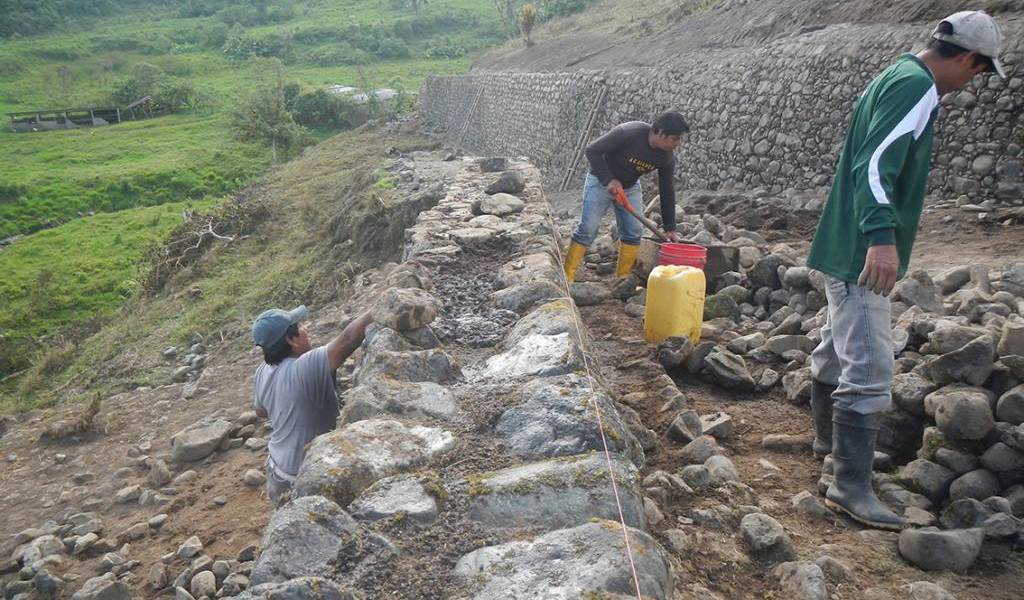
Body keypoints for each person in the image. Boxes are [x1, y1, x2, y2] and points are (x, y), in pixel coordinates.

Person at [807, 11, 1005, 530]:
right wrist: (881, 240)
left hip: (841, 242)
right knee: (871, 369)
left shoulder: (897, 72)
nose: (972, 83)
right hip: (860, 252)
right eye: (980, 72)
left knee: (837, 344)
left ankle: (830, 444)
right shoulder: (918, 87)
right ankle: (850, 489)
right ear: (965, 57)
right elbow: (873, 164)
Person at [251, 305, 373, 506]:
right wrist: (378, 308)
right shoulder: (304, 367)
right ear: (291, 339)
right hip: (302, 476)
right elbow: (348, 340)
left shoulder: (262, 370)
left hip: (276, 470)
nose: (306, 328)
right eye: (300, 326)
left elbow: (260, 411)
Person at [563, 111, 689, 282]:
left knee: (634, 231)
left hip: (629, 187)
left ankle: (622, 281)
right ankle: (566, 278)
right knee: (588, 228)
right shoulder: (629, 133)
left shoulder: (666, 157)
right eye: (675, 139)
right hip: (600, 180)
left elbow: (666, 189)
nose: (678, 144)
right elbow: (592, 150)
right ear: (660, 132)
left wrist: (670, 227)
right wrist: (609, 179)